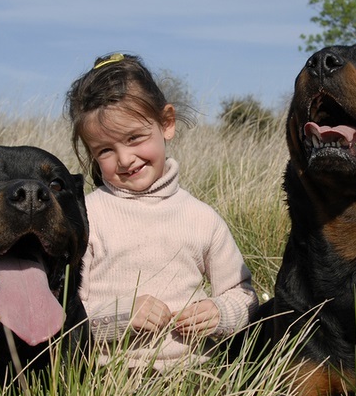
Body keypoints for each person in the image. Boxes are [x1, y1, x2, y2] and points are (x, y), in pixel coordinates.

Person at [65, 52, 258, 371]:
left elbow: (245, 295)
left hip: (192, 380)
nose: (125, 159)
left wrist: (220, 312)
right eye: (106, 150)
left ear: (166, 123)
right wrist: (121, 316)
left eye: (134, 138)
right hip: (106, 381)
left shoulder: (201, 218)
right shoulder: (87, 217)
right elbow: (66, 314)